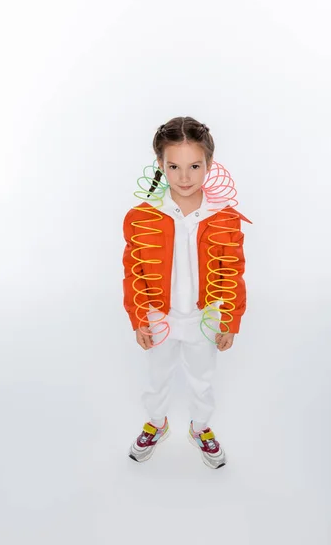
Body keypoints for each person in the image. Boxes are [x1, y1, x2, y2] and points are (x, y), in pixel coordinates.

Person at [122, 116, 252, 469]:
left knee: (202, 378)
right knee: (157, 376)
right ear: (161, 166)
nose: (184, 177)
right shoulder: (142, 216)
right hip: (158, 316)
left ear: (209, 164)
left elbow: (233, 271)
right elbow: (133, 272)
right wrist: (138, 317)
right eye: (174, 166)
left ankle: (200, 428)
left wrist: (231, 319)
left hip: (204, 317)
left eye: (194, 165)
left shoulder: (224, 217)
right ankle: (157, 422)